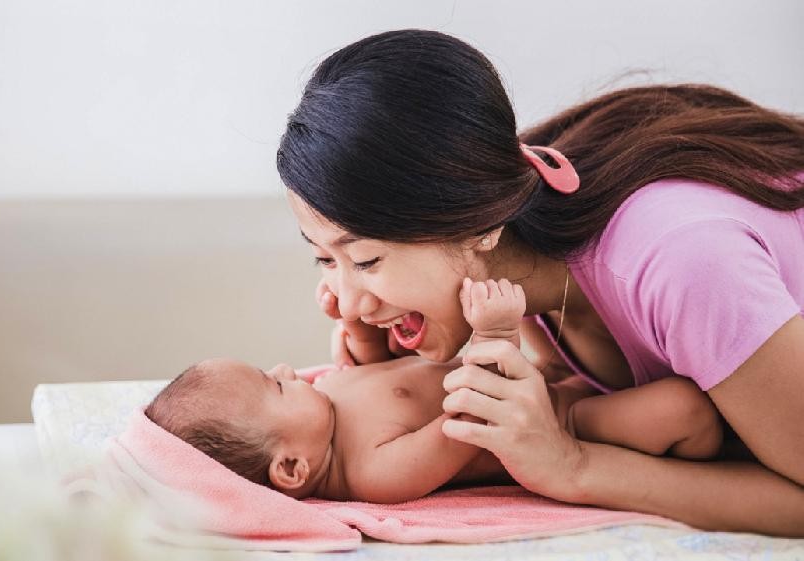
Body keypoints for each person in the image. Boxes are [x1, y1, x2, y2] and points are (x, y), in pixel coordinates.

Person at [275, 30, 804, 533]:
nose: (348, 304)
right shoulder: (523, 214)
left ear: (476, 225)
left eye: (366, 261)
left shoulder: (684, 262)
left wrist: (574, 467)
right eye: (325, 260)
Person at [145, 279, 722, 502]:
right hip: (570, 420)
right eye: (273, 386)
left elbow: (381, 371)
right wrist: (494, 334)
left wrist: (358, 328)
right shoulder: (374, 473)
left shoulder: (326, 405)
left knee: (627, 345)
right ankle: (718, 460)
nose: (286, 369)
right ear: (291, 468)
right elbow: (472, 422)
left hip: (550, 377)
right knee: (683, 406)